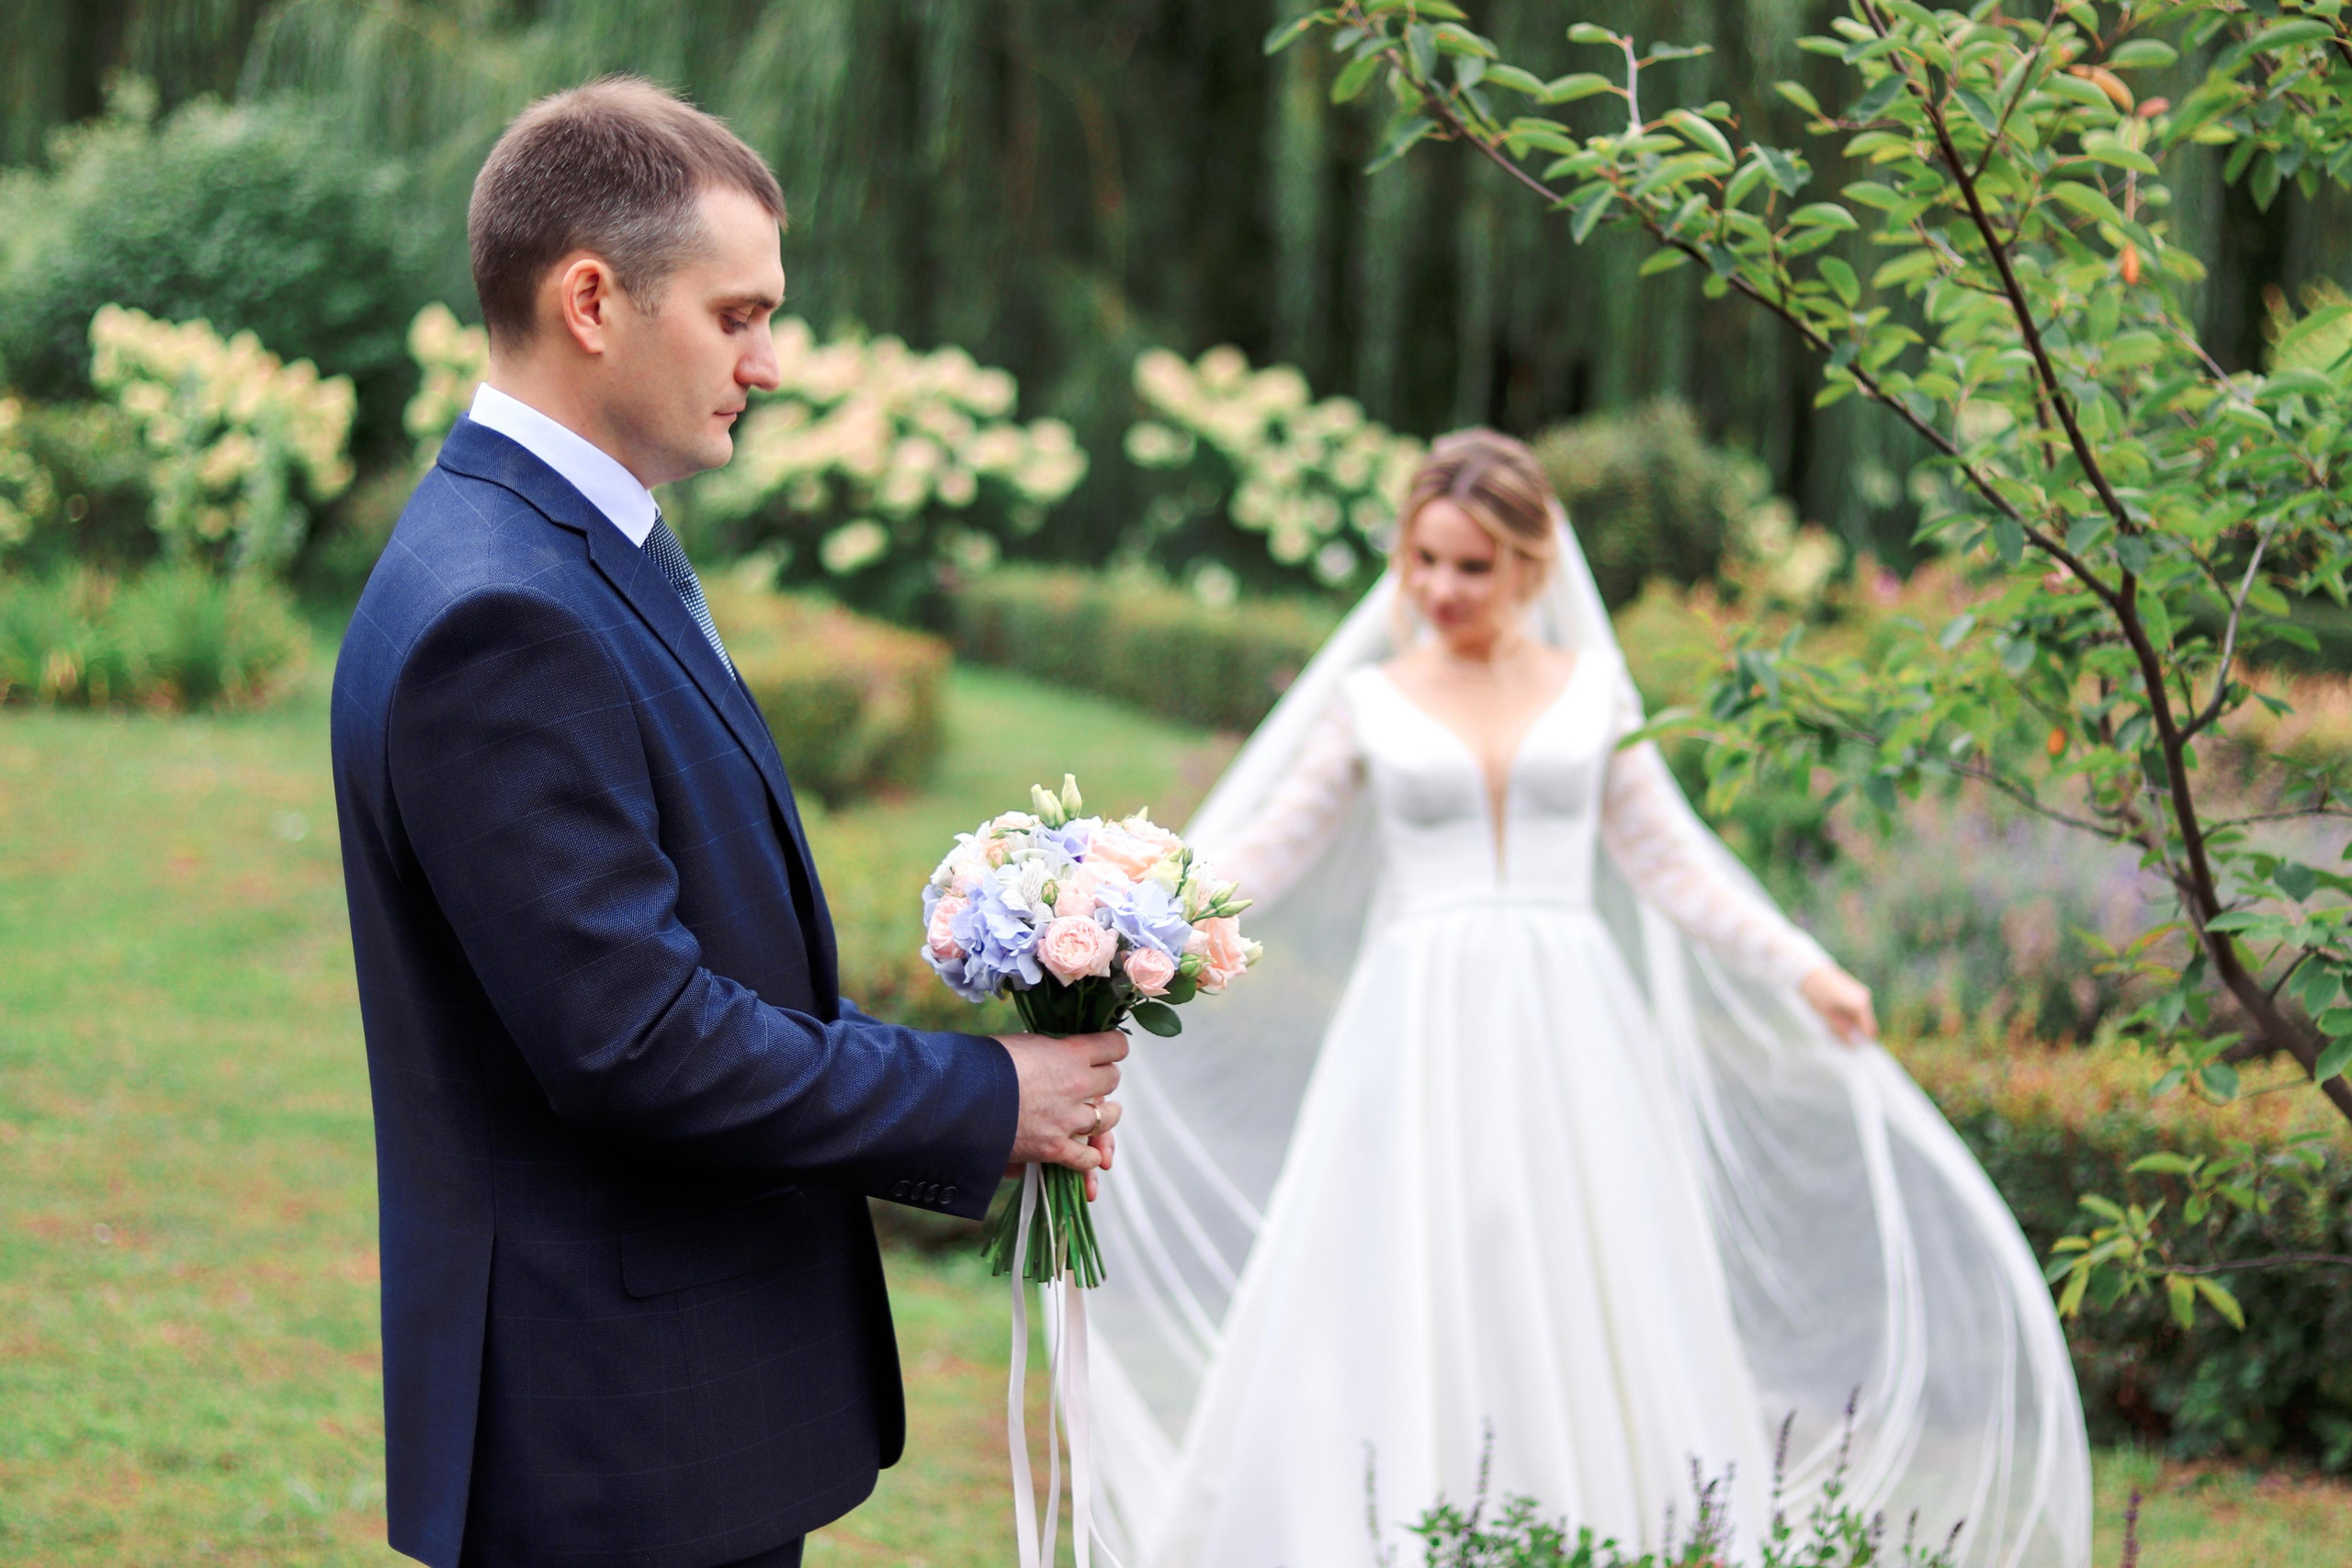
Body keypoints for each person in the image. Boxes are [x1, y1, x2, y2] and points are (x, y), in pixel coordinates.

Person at [330, 78, 1121, 1568]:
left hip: (665, 1396)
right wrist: (984, 1097)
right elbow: (637, 1039)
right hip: (615, 1429)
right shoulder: (501, 609)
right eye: (738, 314)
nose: (768, 362)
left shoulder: (568, 539)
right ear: (590, 299)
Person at [1081, 431, 2091, 1567]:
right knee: (1409, 1261)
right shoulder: (1373, 699)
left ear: (1531, 562)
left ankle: (1598, 1526)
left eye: (1470, 565)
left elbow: (1674, 861)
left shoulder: (1591, 689)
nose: (1437, 589)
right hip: (1417, 1027)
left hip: (1571, 1028)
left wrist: (1800, 964)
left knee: (1588, 1269)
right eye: (1421, 560)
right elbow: (1266, 851)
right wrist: (1126, 919)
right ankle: (1387, 1522)